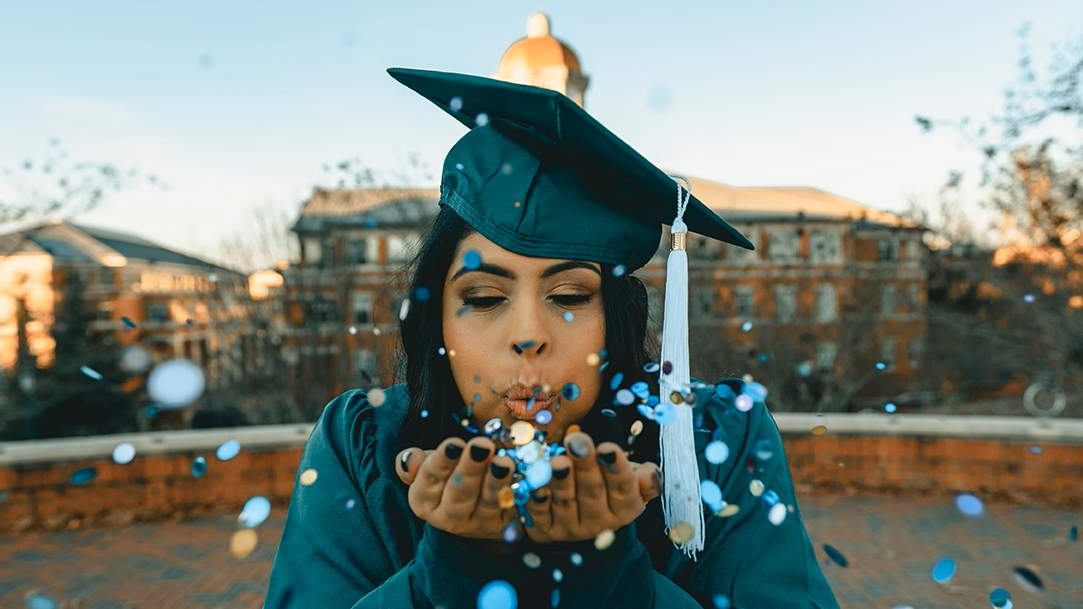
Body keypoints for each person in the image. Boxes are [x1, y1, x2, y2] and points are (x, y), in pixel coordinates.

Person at [264, 68, 839, 609]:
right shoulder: (365, 442)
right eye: (484, 298)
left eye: (568, 297)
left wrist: (612, 582)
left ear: (617, 318)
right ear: (435, 316)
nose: (527, 337)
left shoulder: (712, 438)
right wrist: (447, 578)